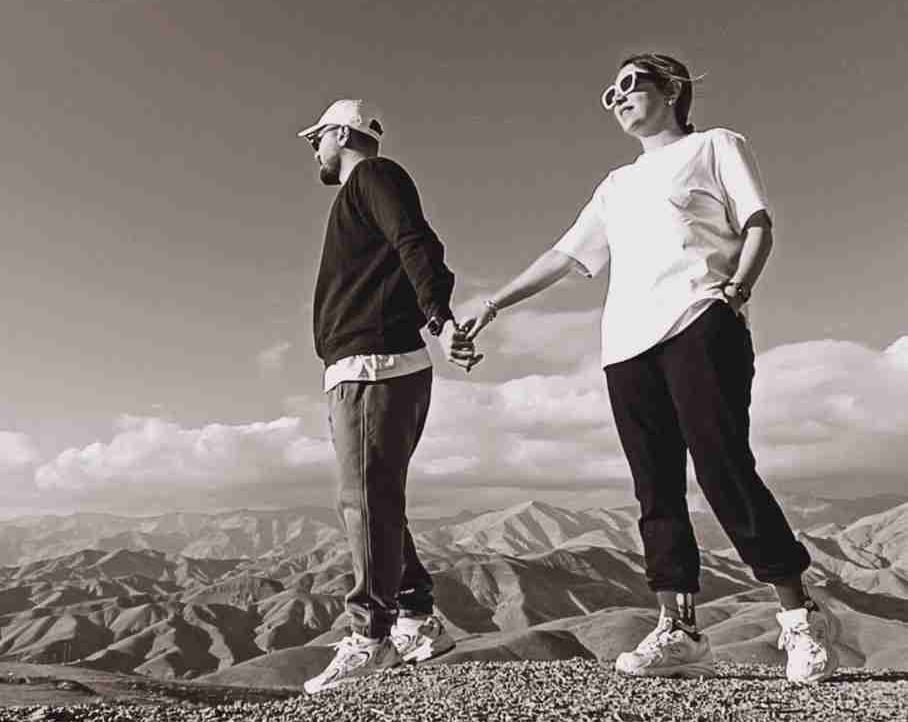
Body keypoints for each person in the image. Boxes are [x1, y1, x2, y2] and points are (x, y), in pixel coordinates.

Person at [462, 54, 838, 684]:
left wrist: (735, 293)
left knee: (723, 468)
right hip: (626, 347)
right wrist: (492, 304)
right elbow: (564, 256)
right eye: (609, 93)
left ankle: (800, 615)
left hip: (700, 320)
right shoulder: (616, 184)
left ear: (672, 89)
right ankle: (679, 630)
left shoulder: (715, 146)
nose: (618, 98)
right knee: (655, 487)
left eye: (630, 84)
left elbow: (758, 224)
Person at [298, 99, 477, 694]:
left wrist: (440, 320)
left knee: (365, 501)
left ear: (342, 133)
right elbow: (413, 246)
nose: (314, 148)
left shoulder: (374, 175)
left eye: (317, 138)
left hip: (374, 364)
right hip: (364, 366)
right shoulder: (364, 190)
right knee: (376, 499)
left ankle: (371, 637)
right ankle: (418, 619)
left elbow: (417, 243)